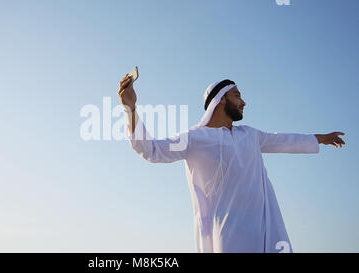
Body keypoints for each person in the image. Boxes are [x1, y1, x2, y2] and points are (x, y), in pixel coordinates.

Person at [117, 74, 346, 253]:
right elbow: (151, 149)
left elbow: (283, 140)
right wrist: (131, 108)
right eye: (237, 96)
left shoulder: (250, 135)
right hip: (227, 235)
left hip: (265, 233)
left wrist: (320, 138)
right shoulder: (194, 138)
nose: (244, 102)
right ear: (221, 100)